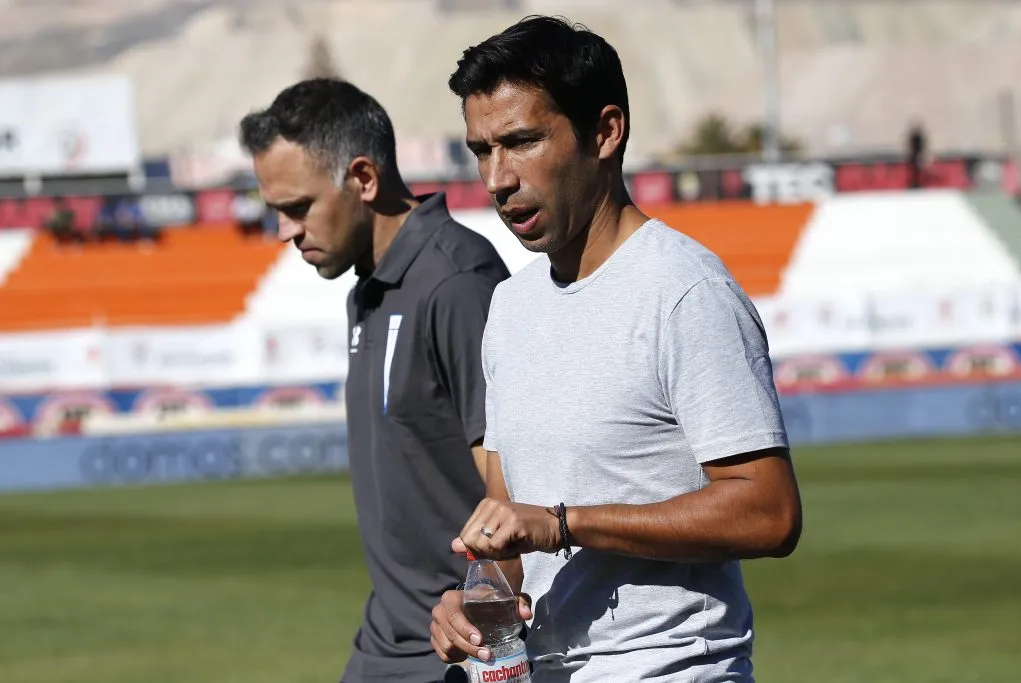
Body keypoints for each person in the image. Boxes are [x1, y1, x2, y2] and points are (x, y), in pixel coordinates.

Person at [430, 16, 803, 682]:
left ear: (605, 132)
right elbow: (508, 527)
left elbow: (769, 512)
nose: (497, 177)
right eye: (481, 150)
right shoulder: (510, 307)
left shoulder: (684, 290)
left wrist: (566, 523)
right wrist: (474, 599)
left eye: (521, 142)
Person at [239, 78, 510, 683]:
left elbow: (515, 484)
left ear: (363, 178)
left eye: (298, 207)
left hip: (456, 646)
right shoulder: (367, 289)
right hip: (384, 639)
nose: (284, 230)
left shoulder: (457, 282)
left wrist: (485, 617)